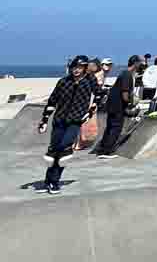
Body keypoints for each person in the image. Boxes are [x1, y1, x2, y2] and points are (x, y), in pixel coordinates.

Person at [37, 56, 95, 193]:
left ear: (85, 68)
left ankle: (55, 182)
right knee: (54, 150)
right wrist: (44, 120)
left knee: (64, 149)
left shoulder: (89, 82)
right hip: (59, 121)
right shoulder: (63, 82)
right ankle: (48, 181)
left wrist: (90, 112)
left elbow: (100, 95)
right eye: (75, 67)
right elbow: (52, 101)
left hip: (75, 122)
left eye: (80, 68)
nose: (76, 70)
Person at [94, 55, 145, 156]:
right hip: (118, 106)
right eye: (140, 63)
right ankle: (107, 151)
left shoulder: (125, 73)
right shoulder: (127, 75)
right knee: (116, 128)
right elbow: (125, 94)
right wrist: (131, 104)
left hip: (112, 104)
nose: (141, 66)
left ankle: (102, 148)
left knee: (110, 127)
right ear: (135, 63)